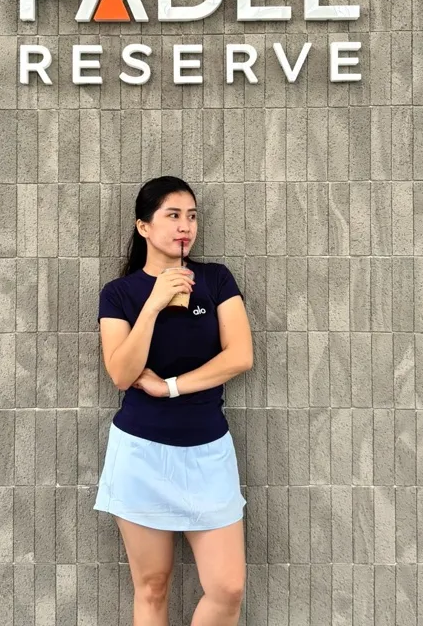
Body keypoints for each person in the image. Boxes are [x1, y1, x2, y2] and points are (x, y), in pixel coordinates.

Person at [93, 176, 254, 626]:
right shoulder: (119, 294)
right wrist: (153, 303)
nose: (186, 226)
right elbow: (121, 373)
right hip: (141, 453)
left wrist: (172, 386)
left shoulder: (216, 279)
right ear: (144, 226)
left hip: (208, 451)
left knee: (227, 588)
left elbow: (240, 356)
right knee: (152, 587)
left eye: (192, 216)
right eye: (173, 215)